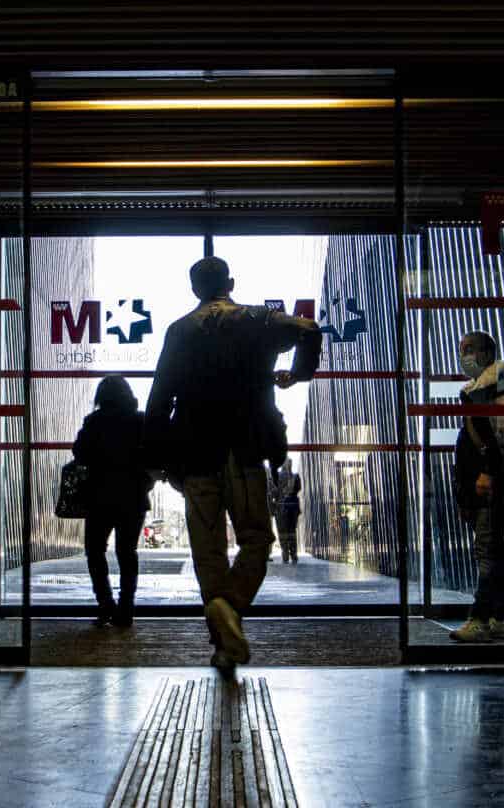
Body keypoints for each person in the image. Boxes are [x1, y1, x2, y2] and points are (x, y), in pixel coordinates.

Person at [146, 256, 322, 670]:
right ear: (231, 282)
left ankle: (222, 638)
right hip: (245, 450)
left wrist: (158, 461)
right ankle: (232, 608)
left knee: (207, 553)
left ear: (194, 289)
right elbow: (309, 329)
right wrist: (297, 375)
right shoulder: (259, 320)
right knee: (256, 540)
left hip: (196, 456)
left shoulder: (179, 331)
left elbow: (159, 400)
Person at [449, 330, 504, 644]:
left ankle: (480, 618)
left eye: (470, 349)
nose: (464, 355)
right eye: (462, 349)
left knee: (487, 551)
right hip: (484, 481)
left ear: (487, 353)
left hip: (491, 483)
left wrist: (489, 473)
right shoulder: (479, 389)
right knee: (494, 549)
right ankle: (503, 617)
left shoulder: (501, 383)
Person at [72, 375, 153, 628]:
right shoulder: (140, 421)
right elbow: (152, 455)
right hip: (133, 498)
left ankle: (105, 604)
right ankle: (126, 608)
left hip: (100, 498)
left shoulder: (94, 422)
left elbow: (79, 453)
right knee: (127, 553)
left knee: (95, 551)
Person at [269, 458, 303, 564]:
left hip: (281, 507)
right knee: (291, 531)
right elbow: (298, 489)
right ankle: (293, 554)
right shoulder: (296, 477)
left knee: (283, 532)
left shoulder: (276, 477)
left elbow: (272, 492)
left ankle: (285, 554)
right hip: (292, 507)